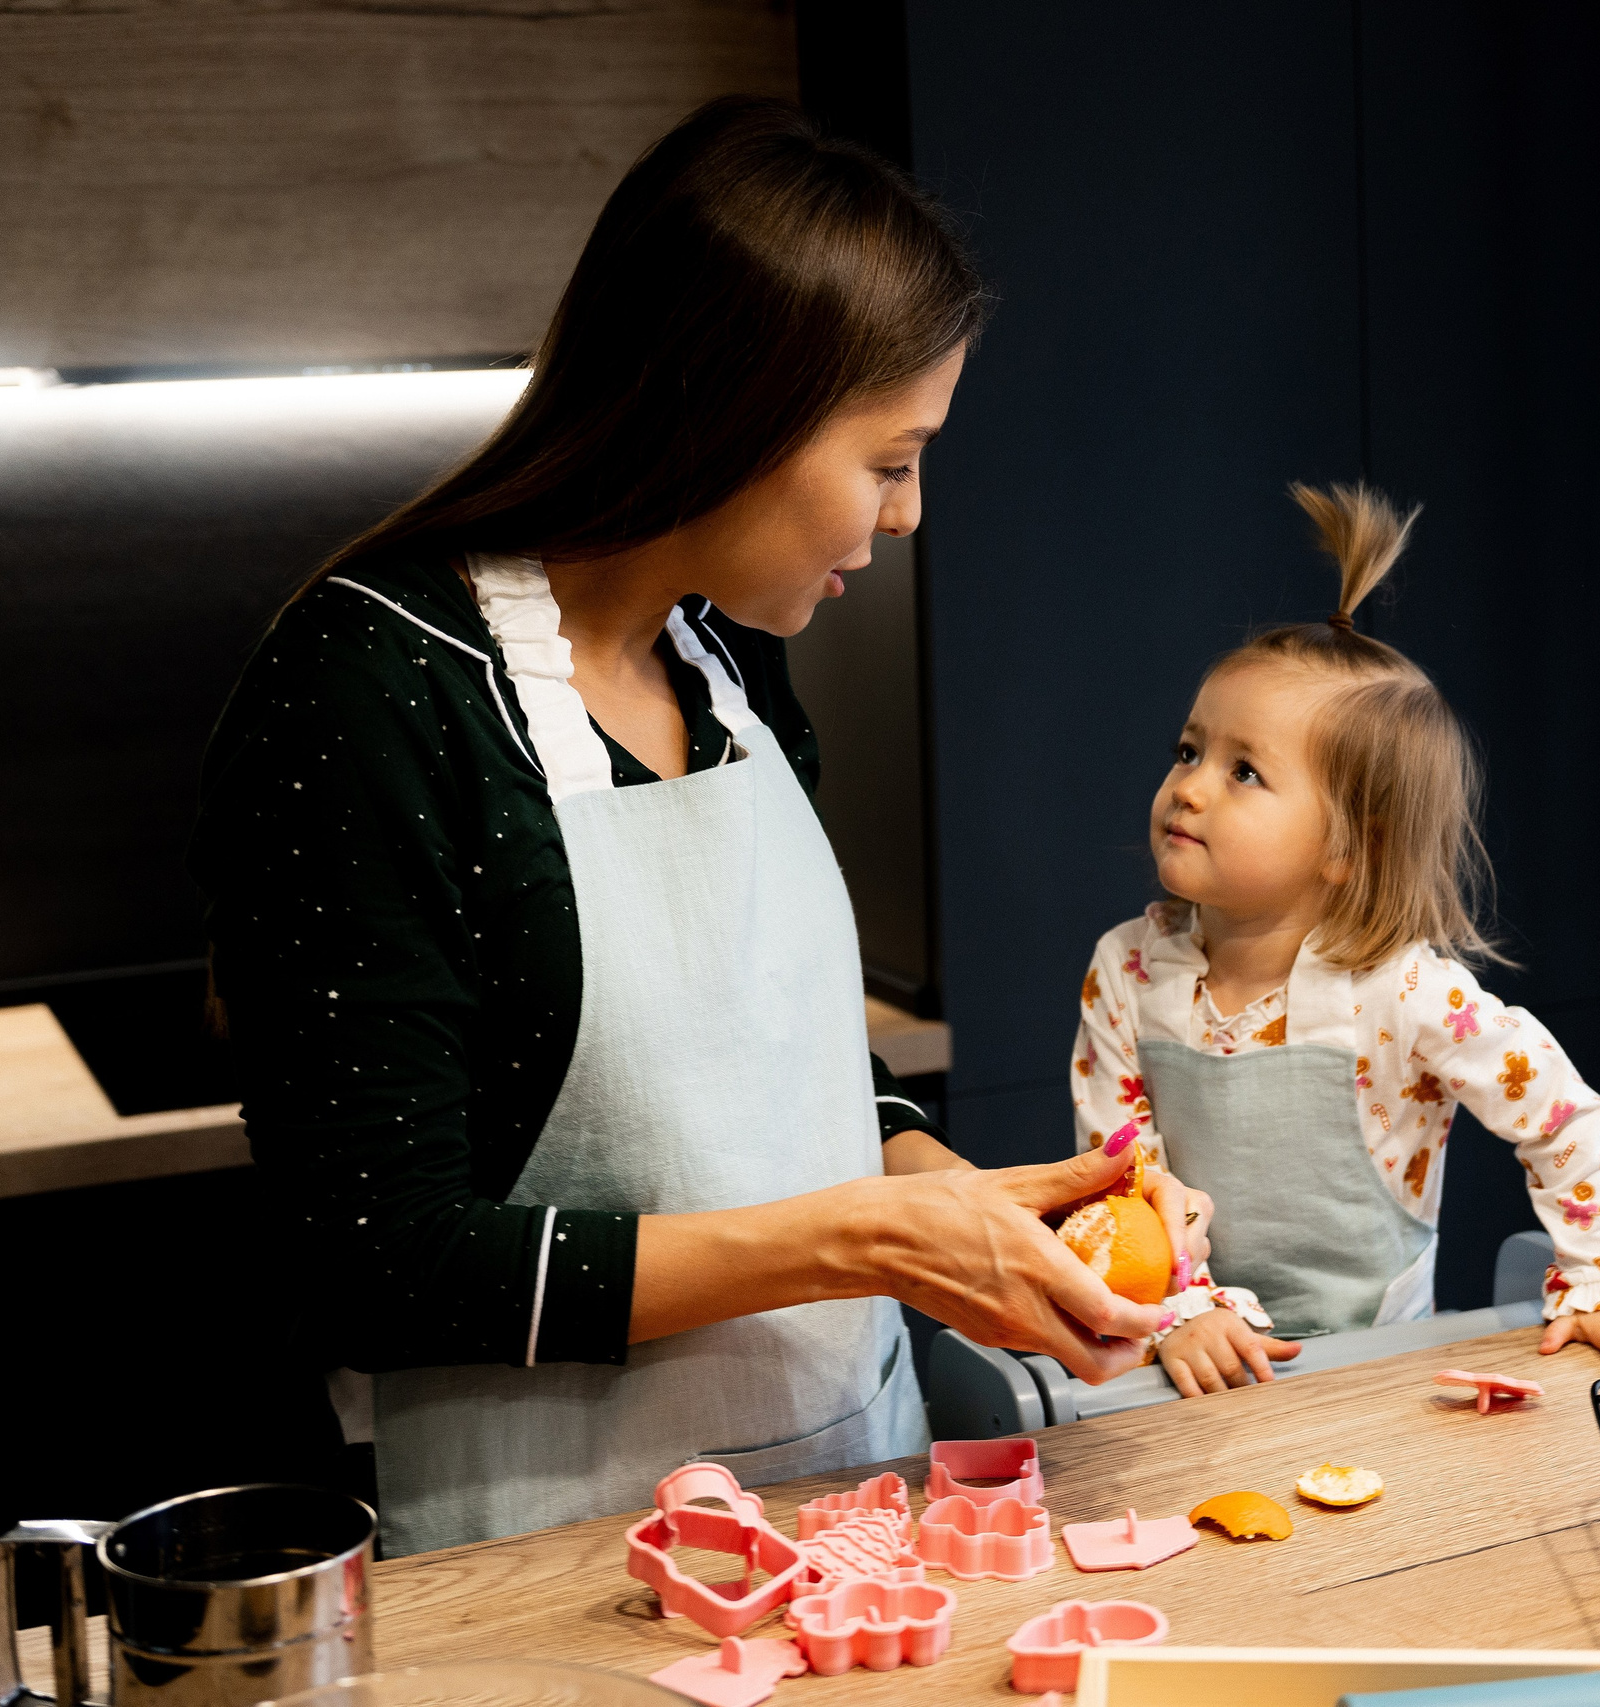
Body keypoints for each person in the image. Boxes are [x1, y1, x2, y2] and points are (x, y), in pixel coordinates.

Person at [191, 97, 1205, 1555]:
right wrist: (857, 1241)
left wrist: (979, 1216)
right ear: (737, 411)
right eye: (890, 457)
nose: (913, 513)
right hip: (553, 1561)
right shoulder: (371, 691)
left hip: (853, 1511)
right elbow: (377, 1259)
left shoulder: (724, 663)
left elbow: (791, 1078)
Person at [1068, 482, 1600, 1399]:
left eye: (1244, 770)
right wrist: (1186, 1305)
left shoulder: (1406, 994)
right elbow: (1117, 1174)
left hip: (1377, 1375)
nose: (1191, 786)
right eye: (1189, 751)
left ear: (1348, 845)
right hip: (1185, 1364)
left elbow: (1561, 1118)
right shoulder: (1128, 972)